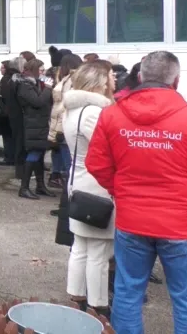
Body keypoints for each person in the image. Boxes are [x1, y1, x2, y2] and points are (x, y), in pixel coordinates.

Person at [87, 52, 187, 334]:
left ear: (139, 77)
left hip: (132, 221)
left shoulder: (111, 115)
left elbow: (97, 164)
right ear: (176, 80)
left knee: (128, 294)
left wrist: (122, 192)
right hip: (182, 224)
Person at [61, 61, 116, 317]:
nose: (114, 80)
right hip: (97, 185)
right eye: (110, 76)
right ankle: (98, 305)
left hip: (79, 181)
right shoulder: (93, 112)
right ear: (99, 82)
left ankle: (77, 296)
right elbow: (108, 150)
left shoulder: (72, 108)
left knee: (81, 246)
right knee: (98, 252)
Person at [14, 58, 55, 200]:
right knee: (34, 152)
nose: (43, 73)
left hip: (38, 123)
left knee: (40, 153)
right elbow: (38, 102)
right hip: (33, 124)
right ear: (34, 70)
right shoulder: (25, 85)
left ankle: (40, 186)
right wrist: (48, 88)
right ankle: (24, 188)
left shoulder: (34, 82)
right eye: (41, 70)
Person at [48, 53, 83, 188]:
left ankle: (61, 182)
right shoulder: (74, 81)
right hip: (67, 125)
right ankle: (69, 193)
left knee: (64, 159)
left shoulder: (62, 80)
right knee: (71, 164)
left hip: (60, 125)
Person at [0, 60, 18, 167]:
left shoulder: (5, 80)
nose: (0, 69)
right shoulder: (15, 78)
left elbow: (3, 96)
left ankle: (9, 158)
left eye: (3, 67)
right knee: (12, 136)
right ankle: (12, 157)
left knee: (7, 136)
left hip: (5, 113)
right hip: (13, 112)